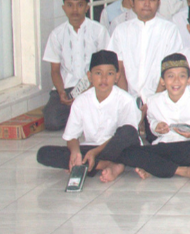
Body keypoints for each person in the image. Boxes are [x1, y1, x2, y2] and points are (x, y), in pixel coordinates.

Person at [35, 50, 140, 183]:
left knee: (129, 133)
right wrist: (75, 153)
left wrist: (95, 153)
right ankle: (106, 164)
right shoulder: (81, 101)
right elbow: (71, 137)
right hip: (91, 147)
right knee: (43, 153)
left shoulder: (126, 100)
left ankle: (95, 163)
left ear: (117, 76)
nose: (103, 79)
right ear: (89, 76)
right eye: (98, 73)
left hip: (119, 149)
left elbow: (128, 134)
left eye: (109, 73)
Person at [120, 54, 190, 181]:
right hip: (165, 146)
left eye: (182, 76)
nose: (176, 81)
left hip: (189, 145)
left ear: (189, 80)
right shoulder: (153, 102)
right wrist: (157, 127)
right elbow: (152, 121)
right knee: (127, 152)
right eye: (170, 76)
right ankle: (180, 170)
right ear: (162, 81)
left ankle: (156, 166)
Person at [109, 0, 185, 105]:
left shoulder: (169, 30)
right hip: (128, 101)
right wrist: (127, 102)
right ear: (132, 2)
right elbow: (118, 68)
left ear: (158, 2)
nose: (147, 4)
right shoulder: (121, 30)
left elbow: (170, 68)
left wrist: (153, 103)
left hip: (160, 100)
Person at [42, 0, 110, 131]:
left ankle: (80, 115)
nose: (75, 10)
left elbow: (106, 66)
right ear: (64, 8)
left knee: (103, 115)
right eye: (70, 5)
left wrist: (89, 89)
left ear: (86, 7)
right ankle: (79, 115)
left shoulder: (98, 31)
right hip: (67, 88)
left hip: (94, 86)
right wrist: (61, 92)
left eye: (79, 5)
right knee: (52, 121)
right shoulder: (57, 34)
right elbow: (55, 71)